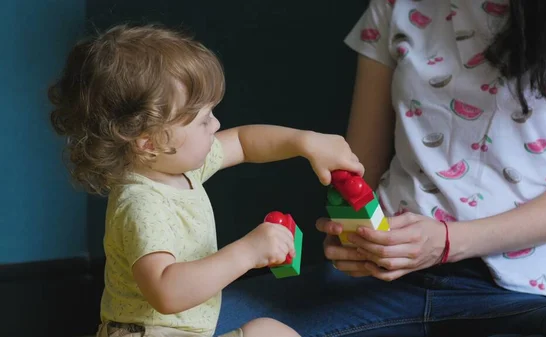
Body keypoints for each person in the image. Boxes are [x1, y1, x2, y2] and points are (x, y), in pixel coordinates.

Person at [215, 1, 546, 336]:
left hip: (518, 294)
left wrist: (447, 242)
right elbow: (357, 168)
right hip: (385, 280)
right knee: (187, 322)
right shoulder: (394, 4)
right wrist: (351, 235)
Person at [47, 24, 365, 337]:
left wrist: (305, 142)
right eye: (202, 120)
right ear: (148, 142)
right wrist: (249, 251)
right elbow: (166, 291)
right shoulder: (141, 205)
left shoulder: (178, 168)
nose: (216, 124)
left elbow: (243, 142)